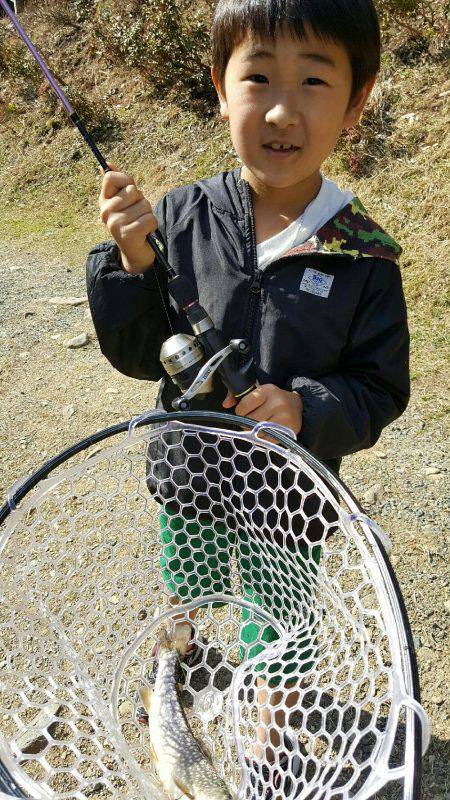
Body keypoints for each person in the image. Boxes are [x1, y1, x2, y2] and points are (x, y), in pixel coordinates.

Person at [86, 0, 409, 791]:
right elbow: (137, 355)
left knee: (284, 626)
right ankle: (176, 668)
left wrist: (306, 408)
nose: (280, 110)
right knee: (187, 588)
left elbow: (379, 387)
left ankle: (273, 724)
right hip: (190, 477)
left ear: (357, 100)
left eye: (314, 82)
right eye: (258, 77)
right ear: (220, 89)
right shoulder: (177, 219)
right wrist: (130, 264)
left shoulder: (364, 255)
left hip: (291, 500)